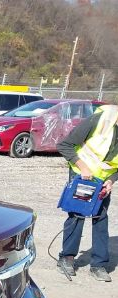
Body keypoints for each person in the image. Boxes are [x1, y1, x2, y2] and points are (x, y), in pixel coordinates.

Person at [56, 104, 118, 282]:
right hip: (82, 174)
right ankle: (66, 258)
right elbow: (65, 145)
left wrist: (111, 180)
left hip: (104, 180)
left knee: (101, 217)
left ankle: (98, 265)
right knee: (77, 216)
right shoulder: (100, 119)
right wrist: (82, 168)